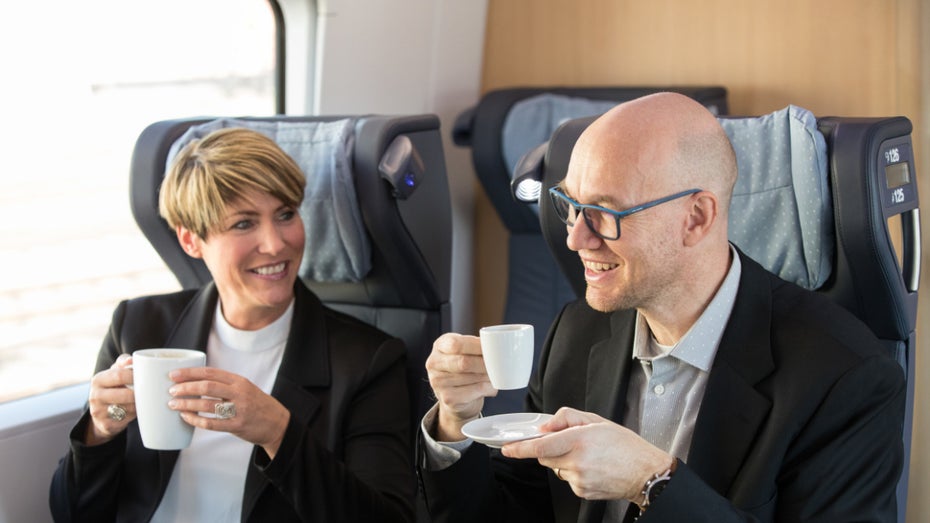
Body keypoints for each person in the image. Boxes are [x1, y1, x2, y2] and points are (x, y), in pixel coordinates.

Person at [418, 92, 905, 522]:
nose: (575, 238)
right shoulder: (577, 332)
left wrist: (652, 482)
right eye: (570, 205)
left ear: (696, 218)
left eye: (604, 213)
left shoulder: (845, 377)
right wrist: (456, 421)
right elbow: (516, 512)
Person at [50, 127, 415, 522]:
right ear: (190, 240)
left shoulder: (367, 361)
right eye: (243, 224)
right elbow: (73, 514)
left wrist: (278, 433)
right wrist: (100, 431)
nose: (275, 244)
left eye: (285, 214)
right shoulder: (139, 326)